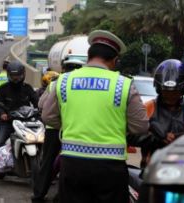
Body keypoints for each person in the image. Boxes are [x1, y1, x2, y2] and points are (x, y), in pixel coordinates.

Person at [41, 30, 149, 203]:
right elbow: (141, 126)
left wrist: (70, 122)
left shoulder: (63, 81)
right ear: (115, 60)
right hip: (110, 168)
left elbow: (48, 117)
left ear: (89, 56)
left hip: (72, 164)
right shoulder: (123, 84)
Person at [128, 59, 184, 203]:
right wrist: (157, 139)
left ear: (183, 89)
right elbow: (131, 136)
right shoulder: (147, 108)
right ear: (159, 88)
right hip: (151, 174)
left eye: (175, 91)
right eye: (166, 91)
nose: (170, 95)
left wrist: (181, 139)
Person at [0, 61, 39, 187]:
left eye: (18, 76)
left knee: (41, 139)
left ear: (23, 75)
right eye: (13, 76)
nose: (16, 79)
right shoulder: (3, 89)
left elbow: (37, 102)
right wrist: (2, 113)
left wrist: (40, 110)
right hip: (7, 122)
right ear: (9, 76)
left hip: (25, 122)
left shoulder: (27, 88)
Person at [32, 58, 83, 202]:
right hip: (74, 129)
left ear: (63, 69)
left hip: (53, 128)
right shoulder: (82, 86)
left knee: (48, 162)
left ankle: (39, 194)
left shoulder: (56, 83)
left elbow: (41, 104)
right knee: (71, 162)